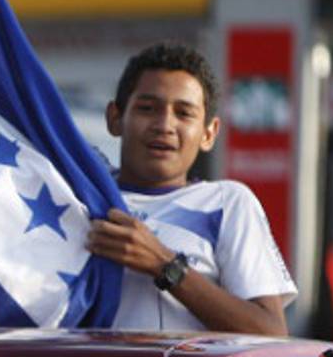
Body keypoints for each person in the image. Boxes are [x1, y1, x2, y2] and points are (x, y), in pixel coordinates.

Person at [86, 42, 297, 334]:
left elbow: (270, 333)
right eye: (147, 108)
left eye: (184, 113)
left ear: (209, 133)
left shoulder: (227, 203)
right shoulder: (80, 194)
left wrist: (165, 265)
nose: (164, 125)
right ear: (115, 118)